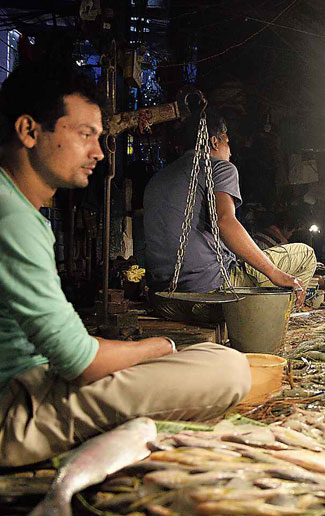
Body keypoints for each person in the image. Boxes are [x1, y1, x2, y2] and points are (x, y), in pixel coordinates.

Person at [0, 63, 250, 467]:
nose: (99, 152)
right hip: (15, 412)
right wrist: (160, 347)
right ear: (29, 131)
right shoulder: (11, 217)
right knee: (228, 368)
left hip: (33, 381)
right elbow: (81, 363)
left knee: (209, 361)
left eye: (99, 137)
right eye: (85, 135)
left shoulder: (17, 208)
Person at [143, 112, 310, 304]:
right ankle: (272, 321)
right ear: (215, 142)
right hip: (210, 289)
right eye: (227, 143)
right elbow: (225, 221)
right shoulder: (220, 167)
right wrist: (274, 272)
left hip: (163, 296)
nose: (229, 152)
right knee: (306, 255)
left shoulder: (157, 179)